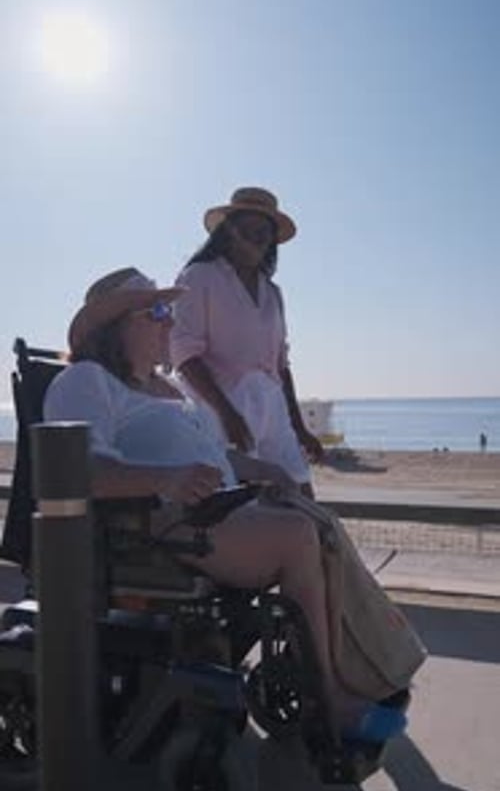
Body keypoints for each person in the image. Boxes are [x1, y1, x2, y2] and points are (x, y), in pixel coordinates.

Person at [44, 266, 416, 743]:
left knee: (321, 528)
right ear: (115, 325)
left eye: (171, 312)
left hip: (214, 513)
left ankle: (372, 666)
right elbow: (77, 472)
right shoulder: (86, 381)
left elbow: (216, 456)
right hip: (161, 527)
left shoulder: (168, 390)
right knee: (298, 538)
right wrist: (168, 480)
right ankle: (333, 695)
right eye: (157, 311)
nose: (170, 323)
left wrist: (266, 471)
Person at [169, 187, 324, 497]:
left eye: (264, 231)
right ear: (229, 230)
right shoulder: (199, 277)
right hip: (219, 404)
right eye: (248, 228)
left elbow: (281, 367)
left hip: (272, 407)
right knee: (239, 503)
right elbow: (183, 354)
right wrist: (228, 414)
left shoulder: (273, 292)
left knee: (303, 497)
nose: (256, 236)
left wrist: (300, 429)